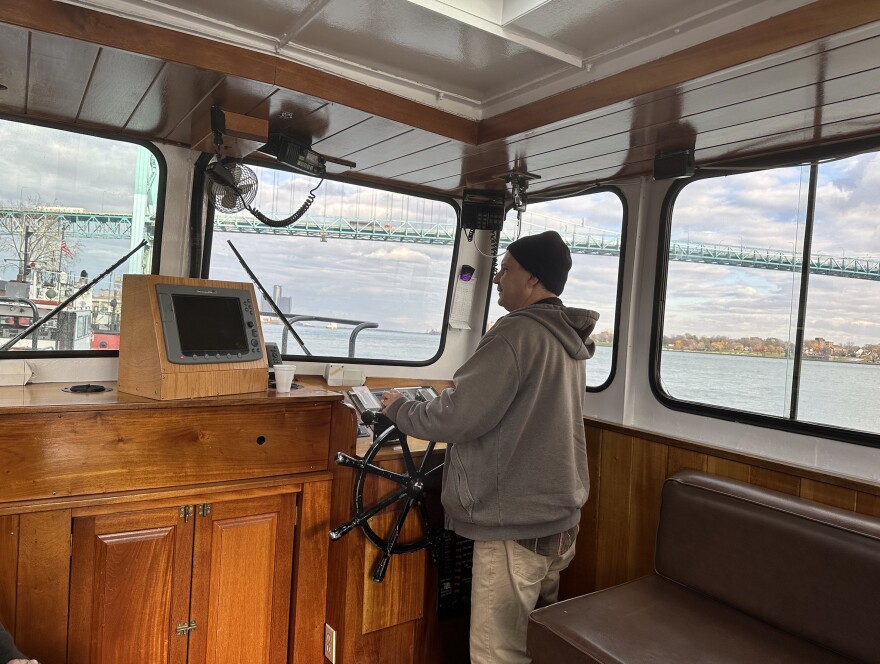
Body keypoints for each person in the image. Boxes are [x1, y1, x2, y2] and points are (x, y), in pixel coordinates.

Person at [381, 230, 598, 664]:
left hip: (514, 523)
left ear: (532, 280)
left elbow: (458, 416)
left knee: (496, 652)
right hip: (558, 520)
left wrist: (400, 410)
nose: (498, 278)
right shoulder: (568, 339)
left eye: (506, 269)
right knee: (536, 643)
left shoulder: (515, 335)